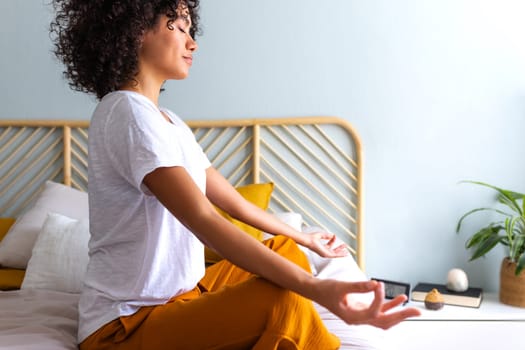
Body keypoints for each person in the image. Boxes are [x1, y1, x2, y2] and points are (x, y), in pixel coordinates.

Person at [50, 1, 420, 349]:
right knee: (279, 301)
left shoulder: (169, 123)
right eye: (178, 27)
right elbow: (203, 217)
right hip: (125, 326)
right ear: (134, 32)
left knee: (283, 251)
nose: (192, 43)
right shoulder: (127, 114)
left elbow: (231, 202)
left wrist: (306, 239)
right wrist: (314, 288)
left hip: (183, 296)